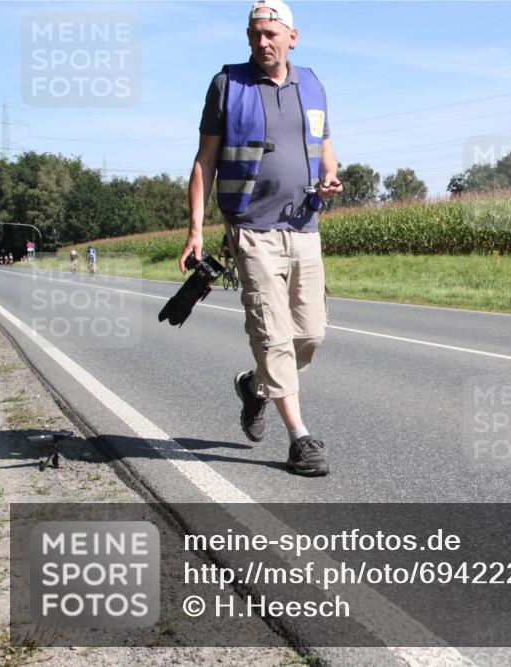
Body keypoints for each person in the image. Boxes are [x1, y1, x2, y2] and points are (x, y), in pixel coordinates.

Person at [179, 0, 342, 476]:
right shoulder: (227, 84)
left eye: (271, 33)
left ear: (293, 36)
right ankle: (301, 439)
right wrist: (196, 228)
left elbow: (326, 149)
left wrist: (330, 177)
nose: (261, 41)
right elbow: (204, 160)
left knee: (309, 334)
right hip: (250, 228)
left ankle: (255, 387)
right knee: (272, 334)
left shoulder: (311, 83)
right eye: (254, 34)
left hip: (304, 226)